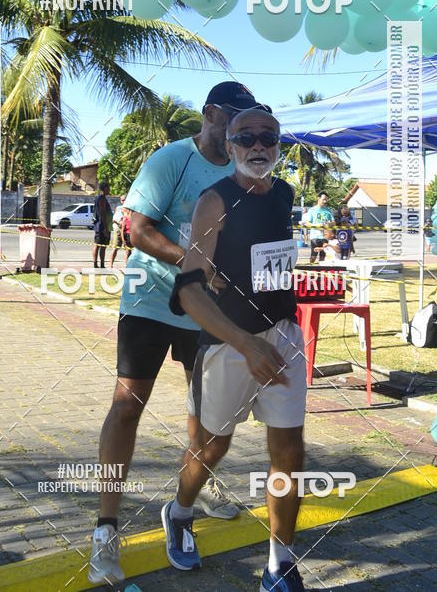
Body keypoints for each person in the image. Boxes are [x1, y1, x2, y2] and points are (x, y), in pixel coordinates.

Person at [89, 82, 271, 585]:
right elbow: (136, 230)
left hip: (209, 312)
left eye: (250, 119)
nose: (241, 128)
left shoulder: (247, 171)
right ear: (210, 113)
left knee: (208, 415)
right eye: (234, 116)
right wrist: (198, 264)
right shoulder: (171, 159)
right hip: (150, 301)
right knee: (127, 405)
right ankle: (106, 529)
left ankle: (191, 496)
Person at [161, 107, 307, 591]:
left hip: (282, 336)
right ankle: (180, 512)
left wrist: (279, 324)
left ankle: (279, 564)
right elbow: (188, 289)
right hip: (228, 343)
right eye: (246, 137)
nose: (258, 146)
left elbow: (269, 265)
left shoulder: (285, 193)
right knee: (212, 446)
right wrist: (245, 343)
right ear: (230, 146)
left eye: (268, 136)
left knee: (288, 449)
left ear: (279, 144)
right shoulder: (214, 201)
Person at [306, 191, 334, 264]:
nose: (324, 201)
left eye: (326, 200)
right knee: (313, 255)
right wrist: (317, 226)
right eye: (323, 199)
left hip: (325, 236)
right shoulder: (312, 210)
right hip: (315, 236)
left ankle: (320, 270)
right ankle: (310, 268)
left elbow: (334, 222)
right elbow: (308, 223)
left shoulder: (328, 210)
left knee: (323, 256)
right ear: (318, 198)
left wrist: (328, 224)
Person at [92, 181, 113, 269]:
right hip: (102, 226)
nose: (109, 189)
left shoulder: (101, 198)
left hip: (102, 226)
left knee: (101, 245)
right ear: (104, 189)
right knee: (99, 245)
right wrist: (105, 228)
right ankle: (98, 264)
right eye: (108, 188)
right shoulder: (102, 199)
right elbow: (102, 213)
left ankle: (101, 264)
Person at [109, 194, 126, 268]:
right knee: (115, 247)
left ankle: (126, 264)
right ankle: (111, 264)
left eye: (125, 200)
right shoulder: (118, 208)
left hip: (126, 229)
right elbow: (113, 219)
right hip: (118, 229)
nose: (124, 201)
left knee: (128, 249)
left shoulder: (130, 208)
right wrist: (117, 223)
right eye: (122, 200)